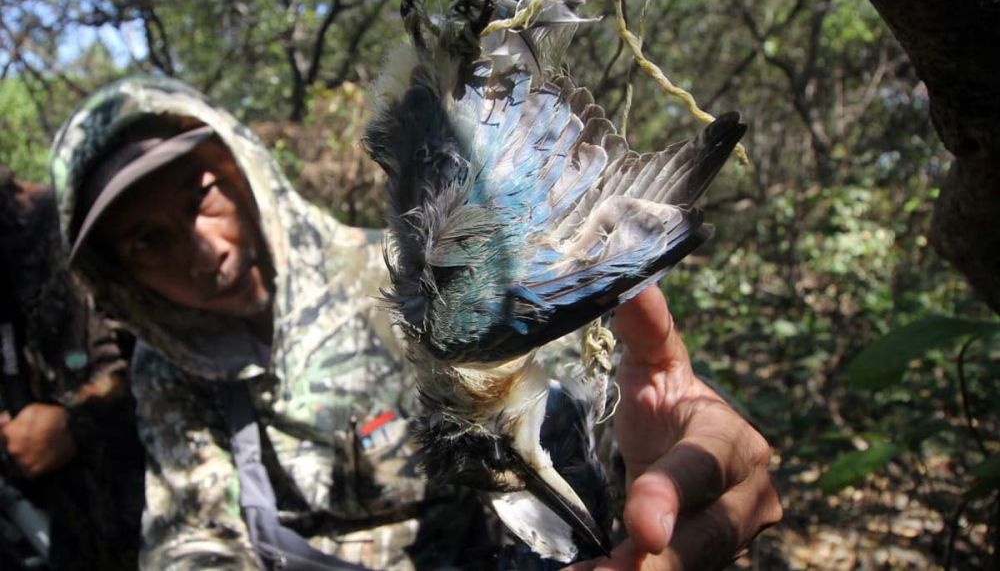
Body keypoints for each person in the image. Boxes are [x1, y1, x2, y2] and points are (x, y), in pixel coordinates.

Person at [50, 76, 780, 570]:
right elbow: (195, 536)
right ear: (120, 275)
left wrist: (646, 458)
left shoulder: (400, 284)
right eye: (146, 240)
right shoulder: (166, 370)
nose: (203, 249)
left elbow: (565, 410)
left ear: (243, 168)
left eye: (202, 194)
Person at [0, 165, 145, 569]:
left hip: (148, 522)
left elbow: (184, 366)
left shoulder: (68, 229)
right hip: (51, 528)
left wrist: (76, 424)